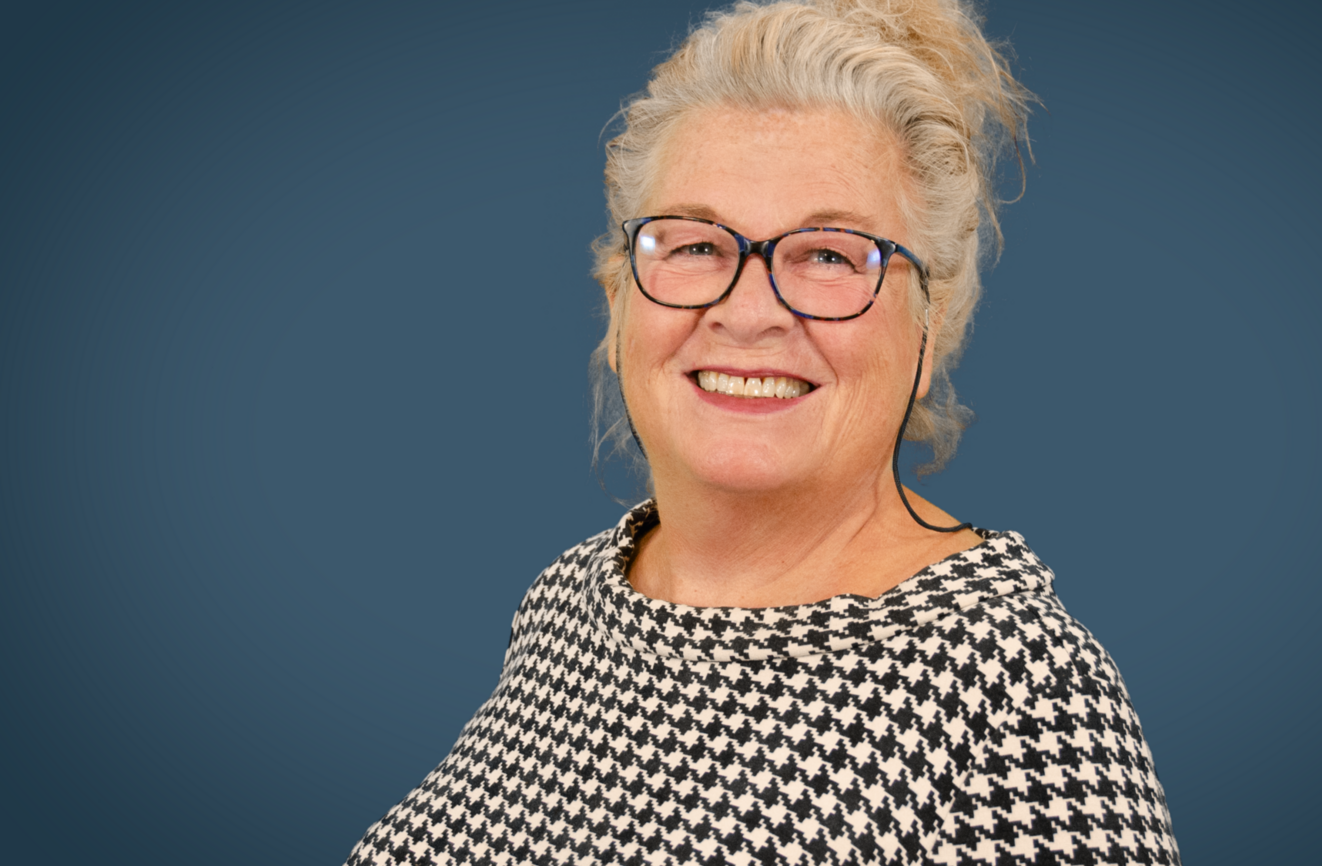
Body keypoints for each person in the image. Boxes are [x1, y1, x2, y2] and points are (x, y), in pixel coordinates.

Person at [347, 0, 1180, 863]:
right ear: (619, 303)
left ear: (928, 332)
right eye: (695, 245)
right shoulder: (571, 599)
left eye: (829, 255)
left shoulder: (1019, 692)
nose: (748, 314)